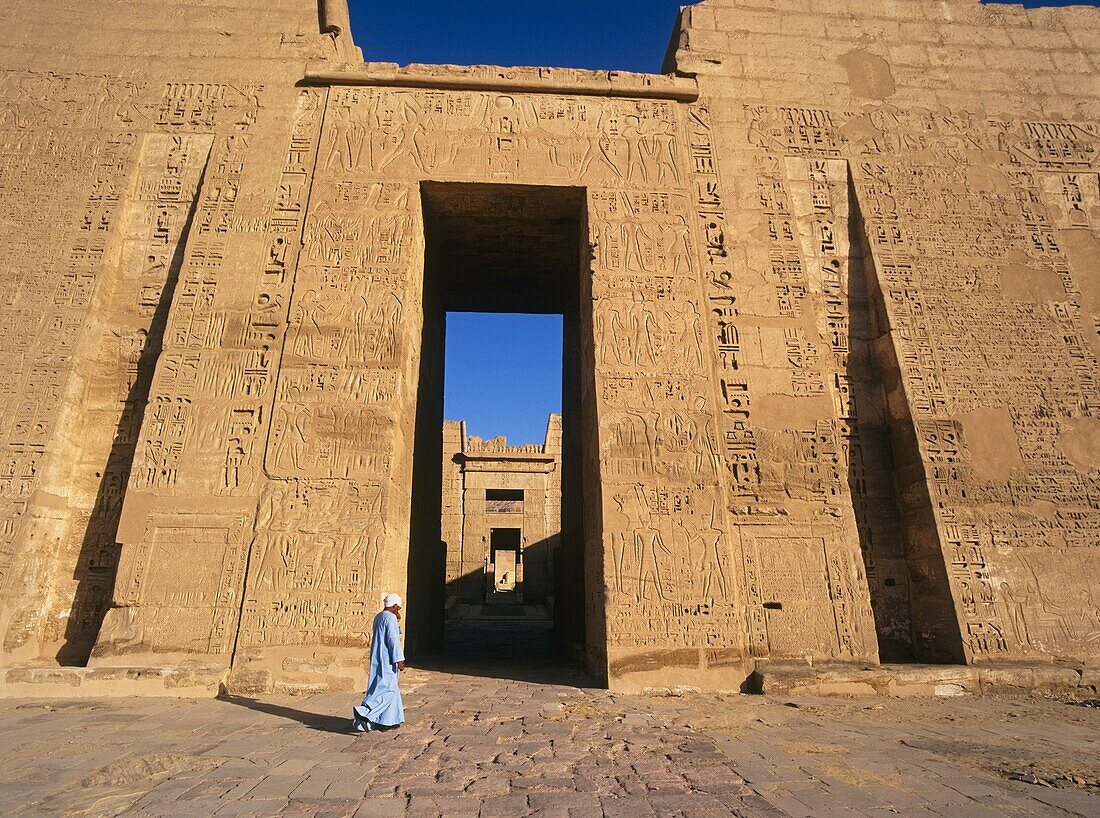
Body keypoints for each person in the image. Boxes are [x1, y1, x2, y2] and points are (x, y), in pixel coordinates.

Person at [352, 593, 406, 732]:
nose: (398, 611)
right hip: (387, 658)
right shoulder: (390, 618)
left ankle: (387, 721)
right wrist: (399, 659)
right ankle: (365, 713)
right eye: (398, 608)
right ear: (394, 606)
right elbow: (392, 639)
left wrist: (396, 621)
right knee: (389, 690)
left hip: (378, 656)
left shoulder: (379, 616)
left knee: (381, 687)